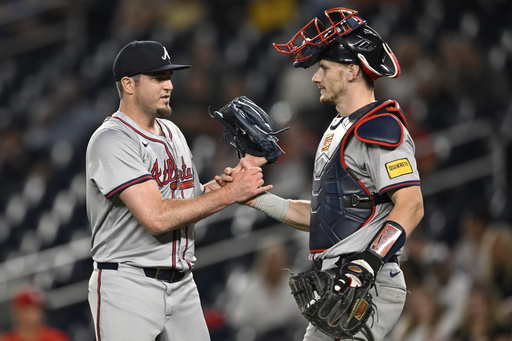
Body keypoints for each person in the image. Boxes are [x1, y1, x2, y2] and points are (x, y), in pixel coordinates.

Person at [219, 7, 423, 341]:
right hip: (341, 284)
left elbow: (411, 205)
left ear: (352, 71)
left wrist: (367, 264)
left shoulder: (380, 126)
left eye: (324, 68)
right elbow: (325, 217)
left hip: (366, 283)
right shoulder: (338, 129)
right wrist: (255, 199)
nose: (315, 77)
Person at [85, 40, 271, 341]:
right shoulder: (111, 140)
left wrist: (226, 183)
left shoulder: (172, 132)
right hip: (128, 285)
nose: (169, 85)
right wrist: (229, 194)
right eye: (158, 78)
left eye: (169, 76)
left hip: (182, 283)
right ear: (128, 84)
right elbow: (156, 217)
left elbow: (188, 202)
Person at [0, 285, 70, 341]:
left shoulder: (57, 338)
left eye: (38, 309)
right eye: (29, 310)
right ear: (16, 311)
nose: (34, 315)